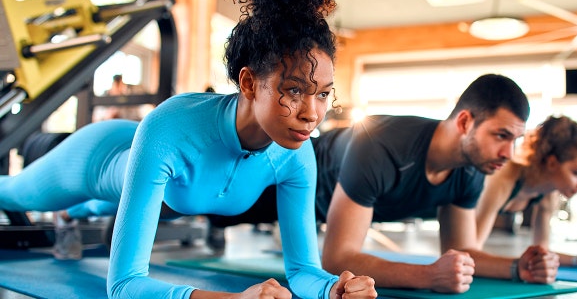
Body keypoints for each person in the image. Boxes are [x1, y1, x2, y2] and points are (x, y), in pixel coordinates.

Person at [0, 0, 377, 298]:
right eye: (294, 91)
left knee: (113, 205)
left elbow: (302, 271)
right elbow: (123, 284)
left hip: (159, 186)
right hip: (99, 155)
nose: (312, 113)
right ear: (248, 83)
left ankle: (72, 214)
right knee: (12, 193)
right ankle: (69, 207)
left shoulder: (297, 154)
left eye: (324, 94)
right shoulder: (172, 128)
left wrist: (334, 288)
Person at [206, 73, 558, 293]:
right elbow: (337, 258)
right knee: (203, 205)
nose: (509, 152)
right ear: (465, 122)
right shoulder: (382, 144)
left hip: (315, 207)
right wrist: (427, 276)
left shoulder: (470, 169)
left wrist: (517, 267)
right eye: (501, 135)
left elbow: (462, 252)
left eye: (515, 140)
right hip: (282, 178)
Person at [475, 115, 577, 269]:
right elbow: (469, 251)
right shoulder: (503, 179)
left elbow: (542, 253)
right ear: (552, 163)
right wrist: (519, 268)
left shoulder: (549, 192)